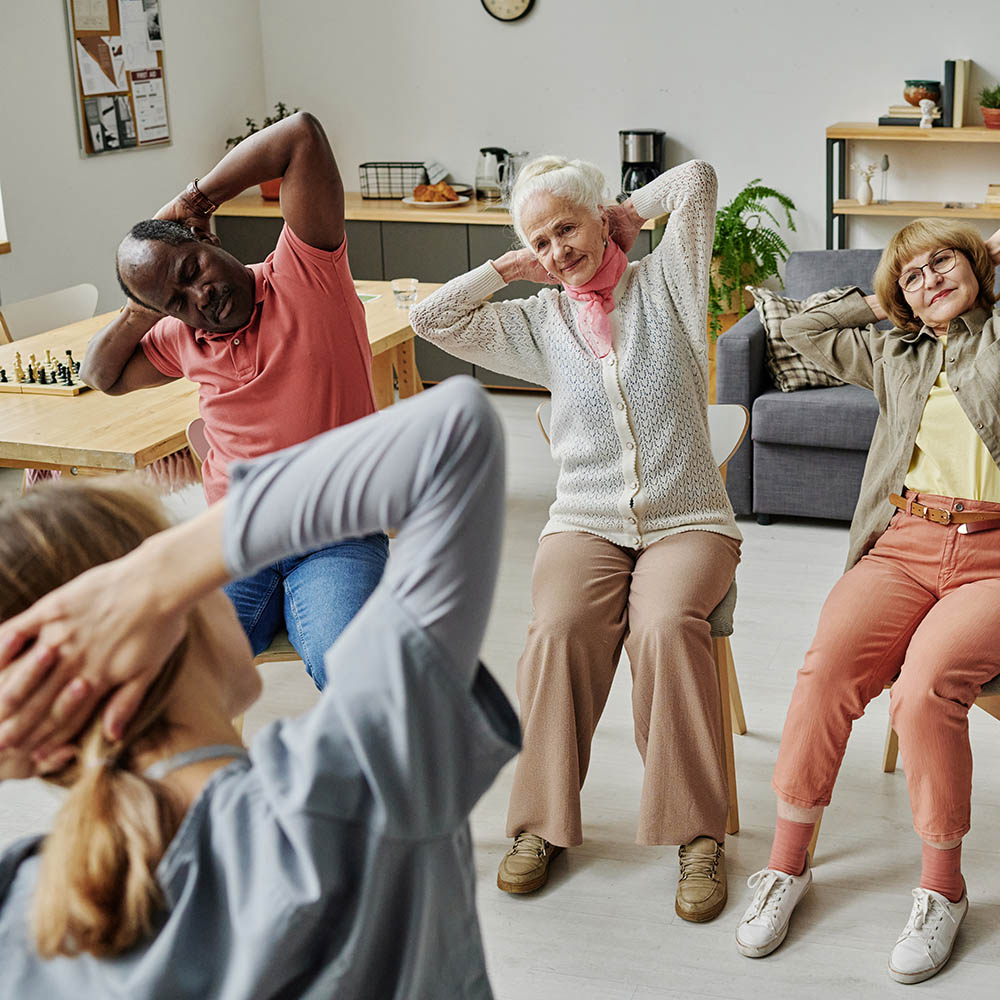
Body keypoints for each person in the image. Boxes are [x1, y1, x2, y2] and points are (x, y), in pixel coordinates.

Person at [0, 377, 519, 999]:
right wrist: (156, 573)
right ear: (155, 611)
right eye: (181, 555)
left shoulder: (28, 905)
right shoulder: (348, 788)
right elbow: (454, 430)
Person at [409, 157, 741, 921]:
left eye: (569, 227)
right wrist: (507, 265)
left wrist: (626, 214)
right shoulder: (537, 323)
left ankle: (698, 836)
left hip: (686, 518)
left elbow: (694, 180)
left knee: (664, 627)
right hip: (585, 520)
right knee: (557, 631)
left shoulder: (668, 284)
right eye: (542, 240)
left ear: (601, 220)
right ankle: (539, 828)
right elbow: (432, 320)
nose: (559, 250)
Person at [735, 219, 1000, 985]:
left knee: (924, 692)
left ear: (974, 263)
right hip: (907, 542)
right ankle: (788, 866)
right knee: (824, 673)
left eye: (943, 261)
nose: (931, 280)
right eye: (913, 276)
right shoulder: (894, 351)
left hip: (992, 558)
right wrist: (886, 301)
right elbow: (804, 322)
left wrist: (987, 252)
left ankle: (942, 889)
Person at [79, 110, 388, 690]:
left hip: (335, 537)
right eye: (177, 299)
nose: (203, 295)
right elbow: (102, 374)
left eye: (192, 268)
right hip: (233, 540)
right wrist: (144, 307)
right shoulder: (181, 336)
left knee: (357, 678)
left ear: (208, 239)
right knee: (164, 680)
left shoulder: (305, 276)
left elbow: (300, 134)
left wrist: (195, 199)